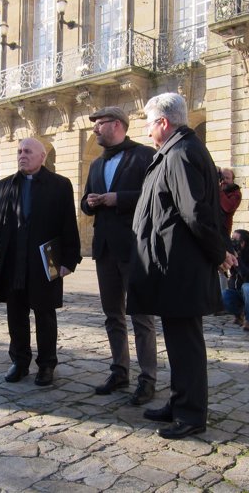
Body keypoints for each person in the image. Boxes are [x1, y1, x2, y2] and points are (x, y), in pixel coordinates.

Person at [127, 93, 236, 439]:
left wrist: (220, 252)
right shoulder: (176, 150)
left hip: (181, 267)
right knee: (177, 341)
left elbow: (196, 213)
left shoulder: (181, 153)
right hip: (171, 265)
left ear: (163, 122)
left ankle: (191, 415)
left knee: (186, 343)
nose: (145, 131)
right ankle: (179, 402)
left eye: (148, 122)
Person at [0, 137, 81, 386]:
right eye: (19, 151)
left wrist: (69, 260)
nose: (22, 155)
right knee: (15, 313)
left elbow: (68, 224)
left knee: (45, 313)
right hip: (12, 261)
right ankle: (19, 361)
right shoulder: (4, 185)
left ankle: (47, 365)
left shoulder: (60, 185)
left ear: (42, 156)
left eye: (27, 151)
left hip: (45, 261)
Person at [81, 106, 158, 406]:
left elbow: (154, 196)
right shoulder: (96, 164)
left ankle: (147, 378)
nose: (95, 130)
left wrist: (118, 199)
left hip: (134, 248)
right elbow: (86, 203)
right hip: (104, 250)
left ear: (117, 125)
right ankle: (119, 370)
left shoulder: (143, 156)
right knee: (112, 315)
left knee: (141, 316)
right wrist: (89, 202)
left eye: (99, 124)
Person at [222, 229, 249, 331]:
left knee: (247, 287)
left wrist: (237, 260)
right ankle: (239, 315)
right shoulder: (233, 253)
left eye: (235, 240)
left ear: (243, 243)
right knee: (223, 294)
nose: (232, 242)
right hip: (237, 291)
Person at [218, 167, 242, 292]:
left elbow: (228, 207)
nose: (224, 181)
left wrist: (218, 190)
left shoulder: (235, 192)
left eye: (227, 178)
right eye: (223, 178)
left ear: (233, 180)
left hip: (224, 231)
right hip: (214, 230)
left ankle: (224, 298)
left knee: (223, 265)